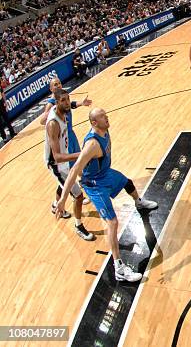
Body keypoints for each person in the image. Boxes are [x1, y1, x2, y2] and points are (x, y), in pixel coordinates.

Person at [55, 107, 159, 282]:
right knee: (112, 222)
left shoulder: (104, 131)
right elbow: (74, 170)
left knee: (128, 183)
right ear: (94, 122)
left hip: (104, 173)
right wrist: (63, 199)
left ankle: (139, 202)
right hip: (94, 184)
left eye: (105, 115)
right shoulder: (93, 144)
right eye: (102, 116)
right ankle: (119, 267)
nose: (106, 117)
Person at [44, 89, 93, 240]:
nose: (66, 102)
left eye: (67, 99)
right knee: (78, 196)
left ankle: (55, 204)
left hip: (64, 157)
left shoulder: (62, 110)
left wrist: (80, 103)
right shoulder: (53, 123)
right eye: (63, 100)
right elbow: (57, 157)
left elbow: (70, 105)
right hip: (56, 164)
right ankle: (78, 226)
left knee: (64, 183)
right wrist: (82, 154)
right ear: (56, 102)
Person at [40, 78, 92, 208]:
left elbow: (71, 104)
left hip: (68, 138)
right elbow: (42, 120)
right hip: (58, 154)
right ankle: (59, 205)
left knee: (70, 172)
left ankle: (81, 184)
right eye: (55, 84)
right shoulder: (52, 107)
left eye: (59, 83)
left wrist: (81, 103)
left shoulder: (64, 103)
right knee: (69, 176)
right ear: (51, 89)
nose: (58, 85)